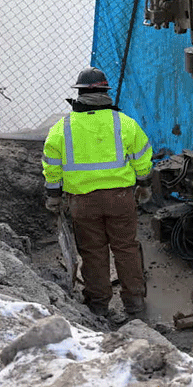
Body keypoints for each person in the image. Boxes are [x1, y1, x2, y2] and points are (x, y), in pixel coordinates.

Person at [42, 67, 153, 318]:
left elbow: (52, 166)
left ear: (79, 93)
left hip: (83, 202)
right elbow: (143, 160)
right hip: (120, 199)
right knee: (126, 248)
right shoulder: (124, 123)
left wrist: (53, 196)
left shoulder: (62, 128)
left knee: (93, 252)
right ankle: (135, 305)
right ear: (106, 92)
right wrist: (144, 186)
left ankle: (99, 306)